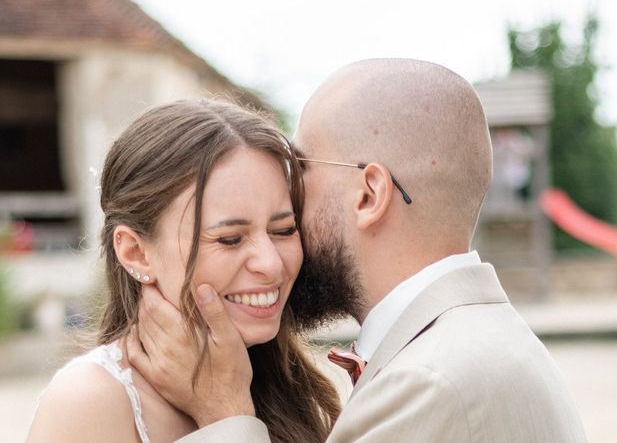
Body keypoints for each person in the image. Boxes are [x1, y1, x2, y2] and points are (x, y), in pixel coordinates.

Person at [128, 59, 588, 442]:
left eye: (301, 165)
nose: (288, 193)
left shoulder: (429, 380)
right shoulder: (477, 341)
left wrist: (225, 411)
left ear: (368, 195)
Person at [27, 99, 341, 443]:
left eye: (283, 230)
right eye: (230, 239)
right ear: (135, 252)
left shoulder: (289, 385)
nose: (271, 264)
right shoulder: (90, 399)